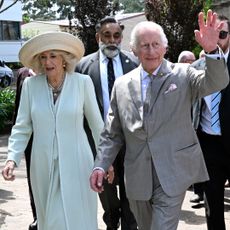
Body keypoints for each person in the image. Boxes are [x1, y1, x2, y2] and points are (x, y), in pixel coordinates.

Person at [90, 10, 229, 230]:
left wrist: (212, 50)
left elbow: (217, 82)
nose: (151, 51)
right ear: (134, 50)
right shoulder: (122, 85)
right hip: (137, 177)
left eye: (156, 44)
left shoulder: (183, 74)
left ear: (165, 48)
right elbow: (112, 132)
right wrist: (101, 164)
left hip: (173, 173)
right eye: (144, 45)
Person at [2, 31, 104, 230]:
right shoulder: (31, 86)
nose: (48, 61)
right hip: (43, 166)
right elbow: (22, 126)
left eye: (53, 56)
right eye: (43, 56)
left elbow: (97, 125)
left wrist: (104, 161)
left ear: (64, 59)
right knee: (50, 220)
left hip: (78, 163)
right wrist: (11, 158)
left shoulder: (82, 83)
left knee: (77, 218)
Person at [76, 16, 138, 230]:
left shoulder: (135, 63)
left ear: (121, 37)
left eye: (117, 35)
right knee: (107, 195)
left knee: (131, 195)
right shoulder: (82, 66)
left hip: (132, 142)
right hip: (101, 143)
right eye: (107, 35)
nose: (112, 40)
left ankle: (130, 225)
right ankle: (112, 221)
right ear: (97, 37)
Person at [192, 14, 230, 230]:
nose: (216, 40)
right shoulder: (196, 68)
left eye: (221, 34)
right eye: (211, 35)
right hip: (208, 146)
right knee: (212, 206)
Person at [13, 67, 37, 230]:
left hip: (55, 134)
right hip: (30, 136)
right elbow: (18, 105)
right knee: (33, 177)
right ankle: (37, 215)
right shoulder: (23, 74)